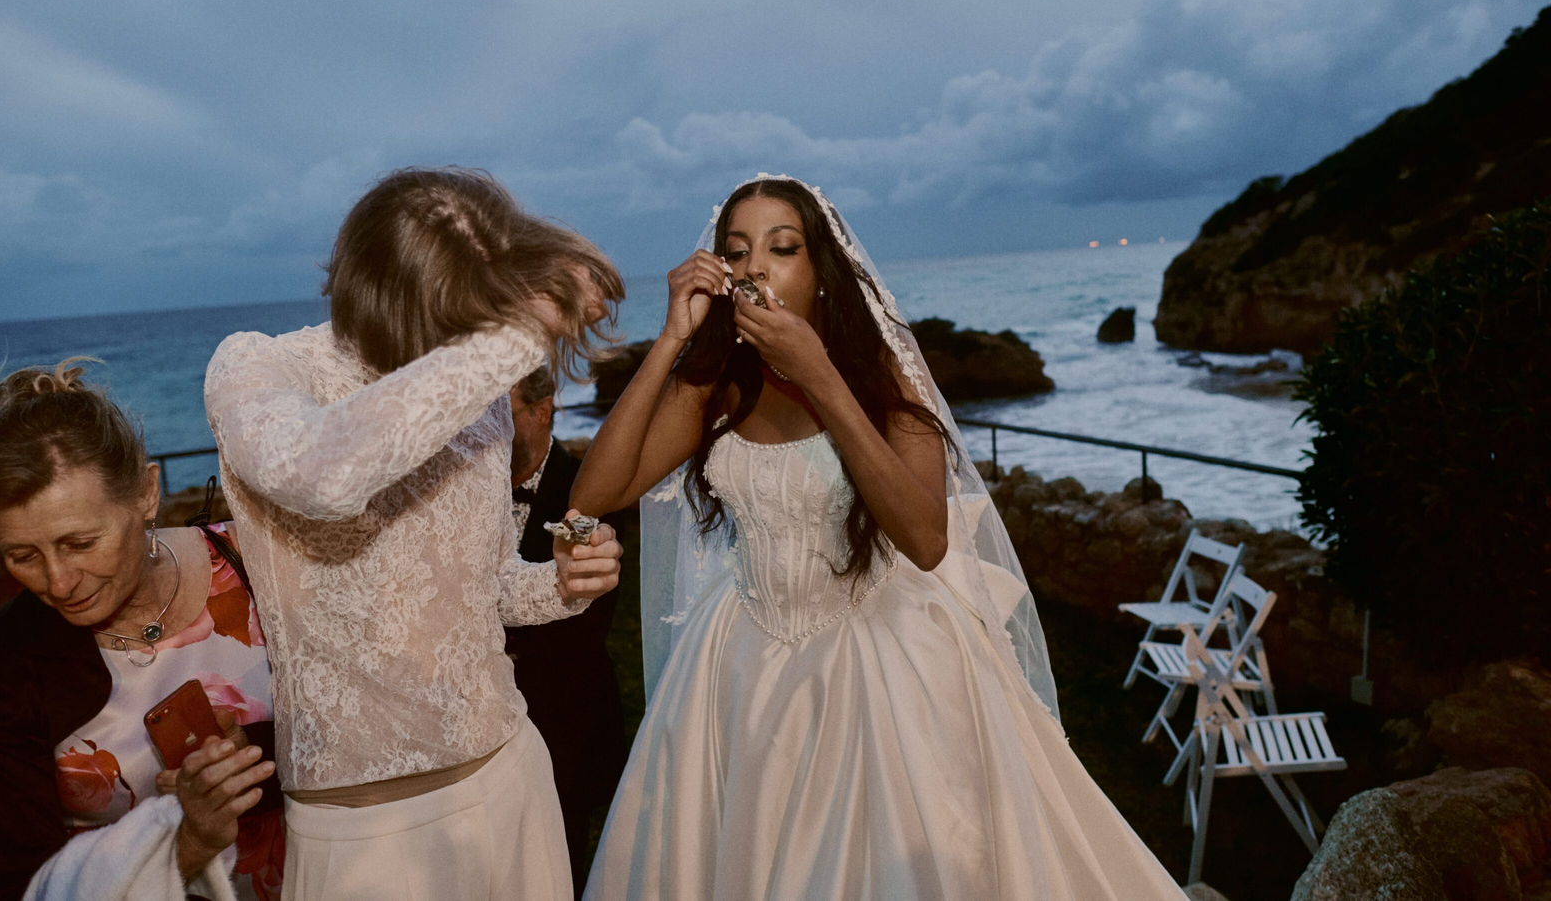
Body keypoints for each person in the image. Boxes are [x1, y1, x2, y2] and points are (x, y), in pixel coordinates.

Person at [572, 175, 1190, 899]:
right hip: (737, 666)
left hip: (876, 664)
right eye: (737, 251)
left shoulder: (880, 375)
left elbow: (926, 537)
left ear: (822, 270)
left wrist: (822, 378)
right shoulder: (718, 382)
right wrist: (675, 336)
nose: (755, 268)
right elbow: (594, 493)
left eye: (783, 247)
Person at [202, 167, 627, 901]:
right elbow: (323, 475)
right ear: (385, 291)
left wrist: (559, 581)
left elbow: (487, 591)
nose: (471, 341)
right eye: (464, 315)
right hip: (364, 837)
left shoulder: (485, 404)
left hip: (509, 785)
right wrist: (514, 335)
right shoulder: (259, 364)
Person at [0, 360, 283, 901]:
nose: (58, 582)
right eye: (23, 555)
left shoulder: (259, 567)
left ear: (146, 493)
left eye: (80, 543)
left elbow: (376, 720)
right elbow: (9, 887)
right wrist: (183, 842)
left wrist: (252, 753)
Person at [505, 367, 627, 893]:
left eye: (500, 415)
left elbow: (590, 603)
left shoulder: (581, 493)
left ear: (542, 410)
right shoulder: (466, 493)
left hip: (563, 723)